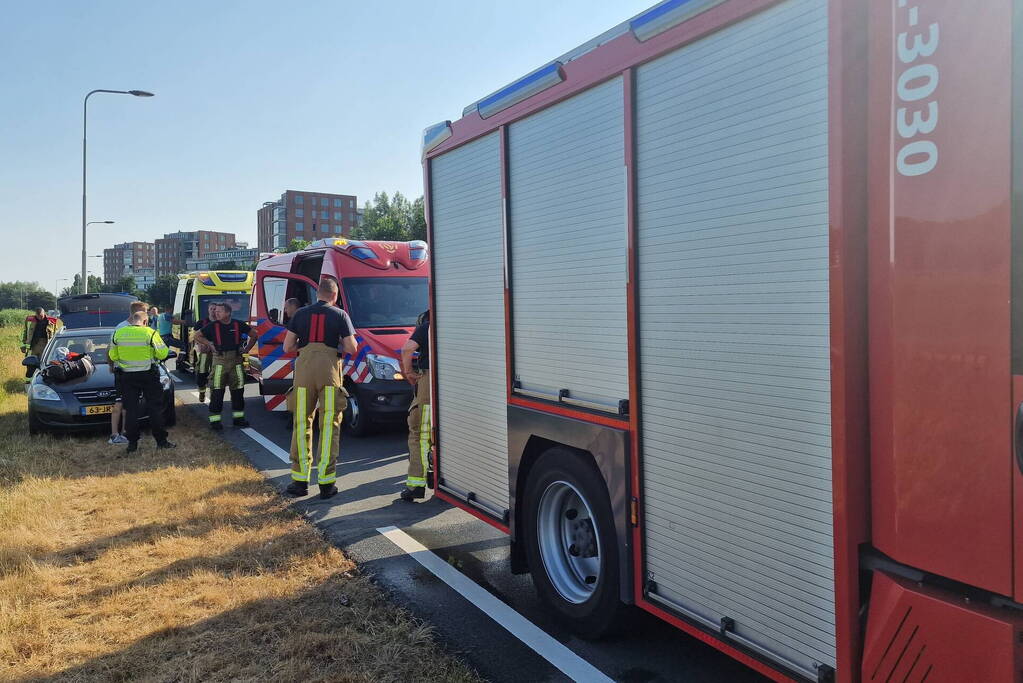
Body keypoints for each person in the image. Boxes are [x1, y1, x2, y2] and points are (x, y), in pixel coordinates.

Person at [283, 277, 358, 500]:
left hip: (304, 373)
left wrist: (305, 346)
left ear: (318, 294)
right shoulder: (340, 315)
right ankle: (326, 484)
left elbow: (288, 346)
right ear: (335, 295)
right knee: (328, 427)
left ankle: (299, 482)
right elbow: (351, 348)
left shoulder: (300, 314)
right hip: (329, 373)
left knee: (301, 424)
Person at [108, 311, 176, 454]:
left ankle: (132, 444)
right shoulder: (150, 333)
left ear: (132, 320)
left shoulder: (118, 333)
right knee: (155, 409)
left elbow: (113, 356)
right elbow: (163, 353)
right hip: (149, 375)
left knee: (131, 410)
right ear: (145, 322)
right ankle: (161, 441)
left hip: (127, 377)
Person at [194, 303, 256, 430]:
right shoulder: (212, 326)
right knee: (217, 390)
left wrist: (246, 349)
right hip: (219, 362)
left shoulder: (238, 324)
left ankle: (238, 419)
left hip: (236, 361)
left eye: (219, 311)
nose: (216, 313)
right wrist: (209, 344)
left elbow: (254, 335)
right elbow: (197, 335)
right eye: (215, 311)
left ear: (228, 313)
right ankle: (215, 421)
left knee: (238, 390)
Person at [399, 309, 432, 502]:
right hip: (457, 384)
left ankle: (416, 485)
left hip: (430, 384)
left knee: (420, 434)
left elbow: (407, 349)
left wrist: (409, 371)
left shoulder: (427, 327)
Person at [108, 301, 150, 445]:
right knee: (120, 403)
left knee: (129, 405)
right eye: (145, 312)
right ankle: (114, 435)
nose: (147, 315)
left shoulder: (140, 327)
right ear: (137, 312)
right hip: (124, 372)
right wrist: (112, 366)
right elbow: (111, 349)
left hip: (134, 371)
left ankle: (126, 432)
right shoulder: (121, 328)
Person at [21, 308, 57, 384]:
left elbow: (55, 334)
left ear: (44, 313)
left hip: (46, 345)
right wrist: (23, 345)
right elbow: (24, 332)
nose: (40, 318)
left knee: (44, 363)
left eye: (41, 316)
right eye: (38, 316)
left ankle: (43, 381)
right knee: (30, 363)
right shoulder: (29, 320)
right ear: (35, 314)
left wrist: (54, 346)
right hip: (33, 346)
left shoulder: (51, 321)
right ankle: (28, 381)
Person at [191, 303, 218, 403]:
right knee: (202, 372)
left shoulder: (221, 323)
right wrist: (200, 344)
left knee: (216, 374)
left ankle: (213, 395)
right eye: (211, 309)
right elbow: (194, 336)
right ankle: (202, 392)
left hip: (217, 352)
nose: (213, 311)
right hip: (204, 352)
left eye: (215, 309)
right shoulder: (201, 323)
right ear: (208, 310)